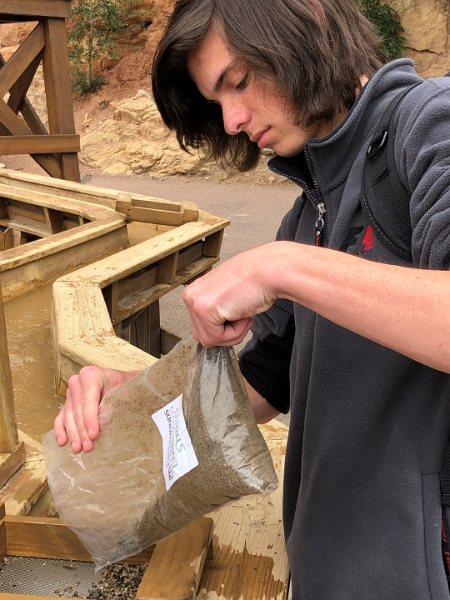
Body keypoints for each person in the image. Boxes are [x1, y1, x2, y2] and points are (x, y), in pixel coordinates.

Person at [54, 1, 450, 598]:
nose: (233, 120)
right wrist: (134, 399)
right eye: (216, 103)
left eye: (238, 81)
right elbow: (262, 383)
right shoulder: (307, 213)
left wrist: (282, 267)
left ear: (308, 21)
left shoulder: (433, 122)